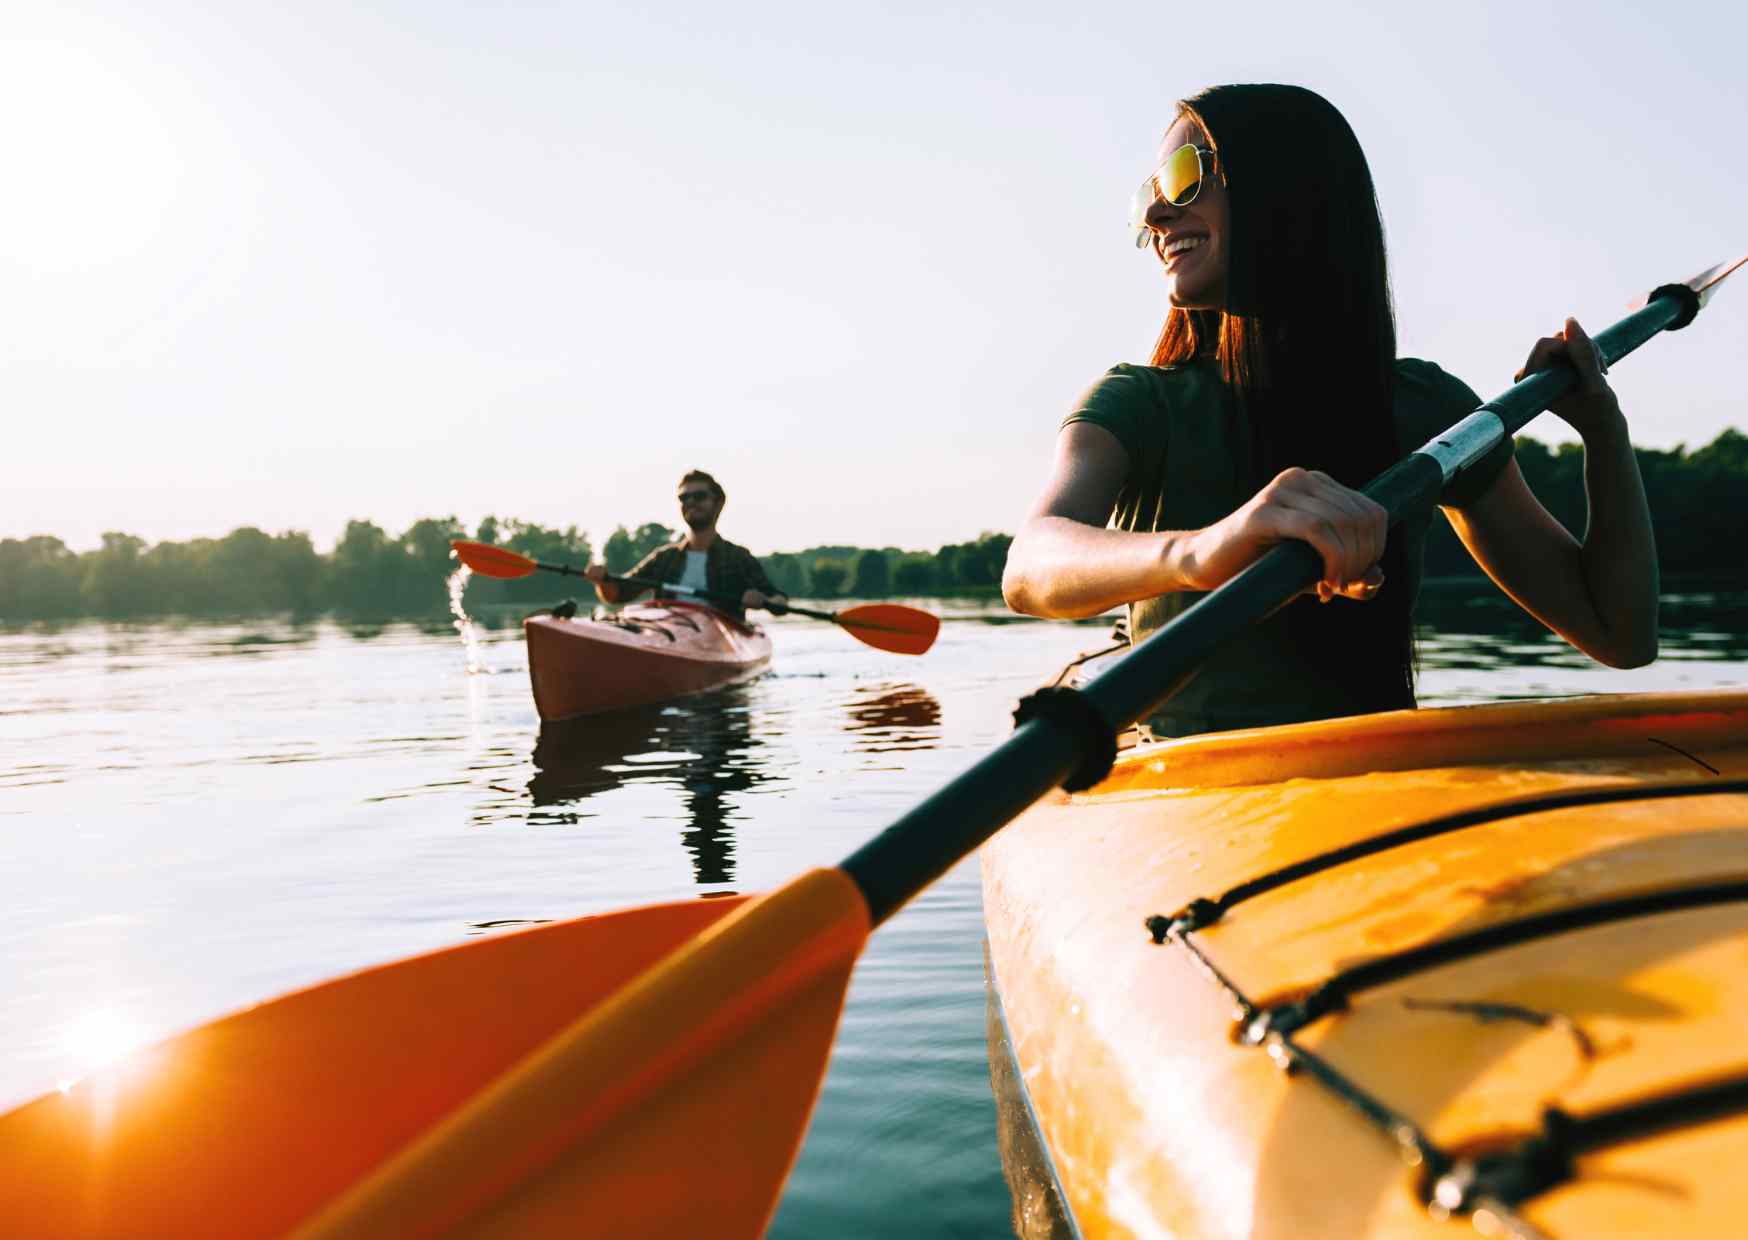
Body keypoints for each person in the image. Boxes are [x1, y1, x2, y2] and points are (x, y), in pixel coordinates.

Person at [1002, 84, 1658, 738]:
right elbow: (1029, 570)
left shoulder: (1427, 411)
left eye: (1183, 178)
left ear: (1287, 189)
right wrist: (1205, 551)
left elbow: (1619, 635)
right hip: (1177, 787)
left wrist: (1604, 430)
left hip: (1369, 780)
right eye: (1150, 194)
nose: (1157, 215)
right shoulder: (1138, 402)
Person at [584, 469, 788, 620]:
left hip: (718, 636)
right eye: (684, 497)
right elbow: (619, 593)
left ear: (718, 503)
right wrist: (601, 581)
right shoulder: (664, 558)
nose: (690, 502)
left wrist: (764, 600)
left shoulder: (737, 557)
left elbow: (779, 600)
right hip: (667, 629)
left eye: (699, 496)